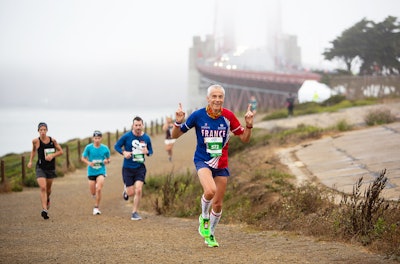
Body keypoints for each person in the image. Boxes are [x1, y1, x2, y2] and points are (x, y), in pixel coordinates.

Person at [171, 84, 254, 247]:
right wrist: (177, 122)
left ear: (223, 99)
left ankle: (211, 235)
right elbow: (175, 135)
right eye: (214, 96)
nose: (217, 100)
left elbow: (244, 138)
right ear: (208, 98)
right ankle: (204, 217)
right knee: (210, 191)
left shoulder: (228, 116)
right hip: (202, 160)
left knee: (218, 204)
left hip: (221, 164)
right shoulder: (198, 115)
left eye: (220, 97)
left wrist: (249, 125)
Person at [114, 116, 153, 220]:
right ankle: (125, 191)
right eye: (136, 125)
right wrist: (124, 152)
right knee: (131, 193)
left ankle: (134, 212)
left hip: (140, 167)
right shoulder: (126, 136)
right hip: (127, 168)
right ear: (133, 125)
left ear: (143, 125)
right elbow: (116, 146)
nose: (138, 127)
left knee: (139, 190)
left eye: (140, 125)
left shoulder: (146, 138)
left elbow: (151, 151)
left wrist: (147, 152)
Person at [27, 122, 64, 220]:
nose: (42, 132)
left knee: (48, 190)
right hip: (40, 168)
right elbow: (33, 151)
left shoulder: (53, 140)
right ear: (38, 131)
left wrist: (52, 155)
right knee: (43, 188)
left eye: (44, 130)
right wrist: (30, 161)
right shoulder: (35, 141)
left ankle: (47, 199)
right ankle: (44, 210)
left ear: (47, 130)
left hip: (50, 168)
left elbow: (61, 151)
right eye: (41, 130)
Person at [81, 130, 111, 216]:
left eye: (98, 138)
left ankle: (96, 207)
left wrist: (107, 161)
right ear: (93, 138)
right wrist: (89, 163)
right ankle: (94, 195)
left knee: (99, 188)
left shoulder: (105, 148)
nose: (97, 140)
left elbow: (109, 159)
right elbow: (83, 158)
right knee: (93, 191)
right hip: (91, 172)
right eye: (95, 138)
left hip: (101, 171)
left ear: (101, 138)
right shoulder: (88, 147)